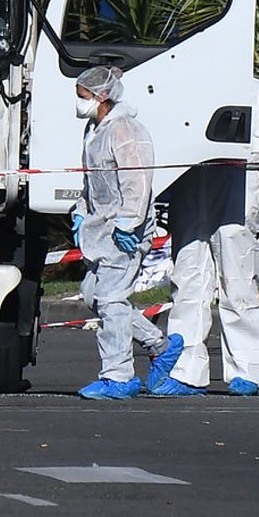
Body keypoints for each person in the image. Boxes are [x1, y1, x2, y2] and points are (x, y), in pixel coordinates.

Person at [155, 76, 259, 397]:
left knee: (237, 279)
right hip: (192, 184)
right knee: (188, 278)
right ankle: (185, 370)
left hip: (236, 185)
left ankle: (246, 369)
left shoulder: (254, 91)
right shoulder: (186, 86)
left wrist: (229, 151)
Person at [70, 65, 182, 400]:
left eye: (83, 96)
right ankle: (159, 345)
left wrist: (128, 222)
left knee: (111, 299)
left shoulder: (126, 131)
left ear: (101, 96)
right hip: (100, 230)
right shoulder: (95, 130)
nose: (78, 103)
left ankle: (118, 376)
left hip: (124, 232)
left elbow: (138, 182)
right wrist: (81, 213)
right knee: (96, 296)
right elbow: (92, 183)